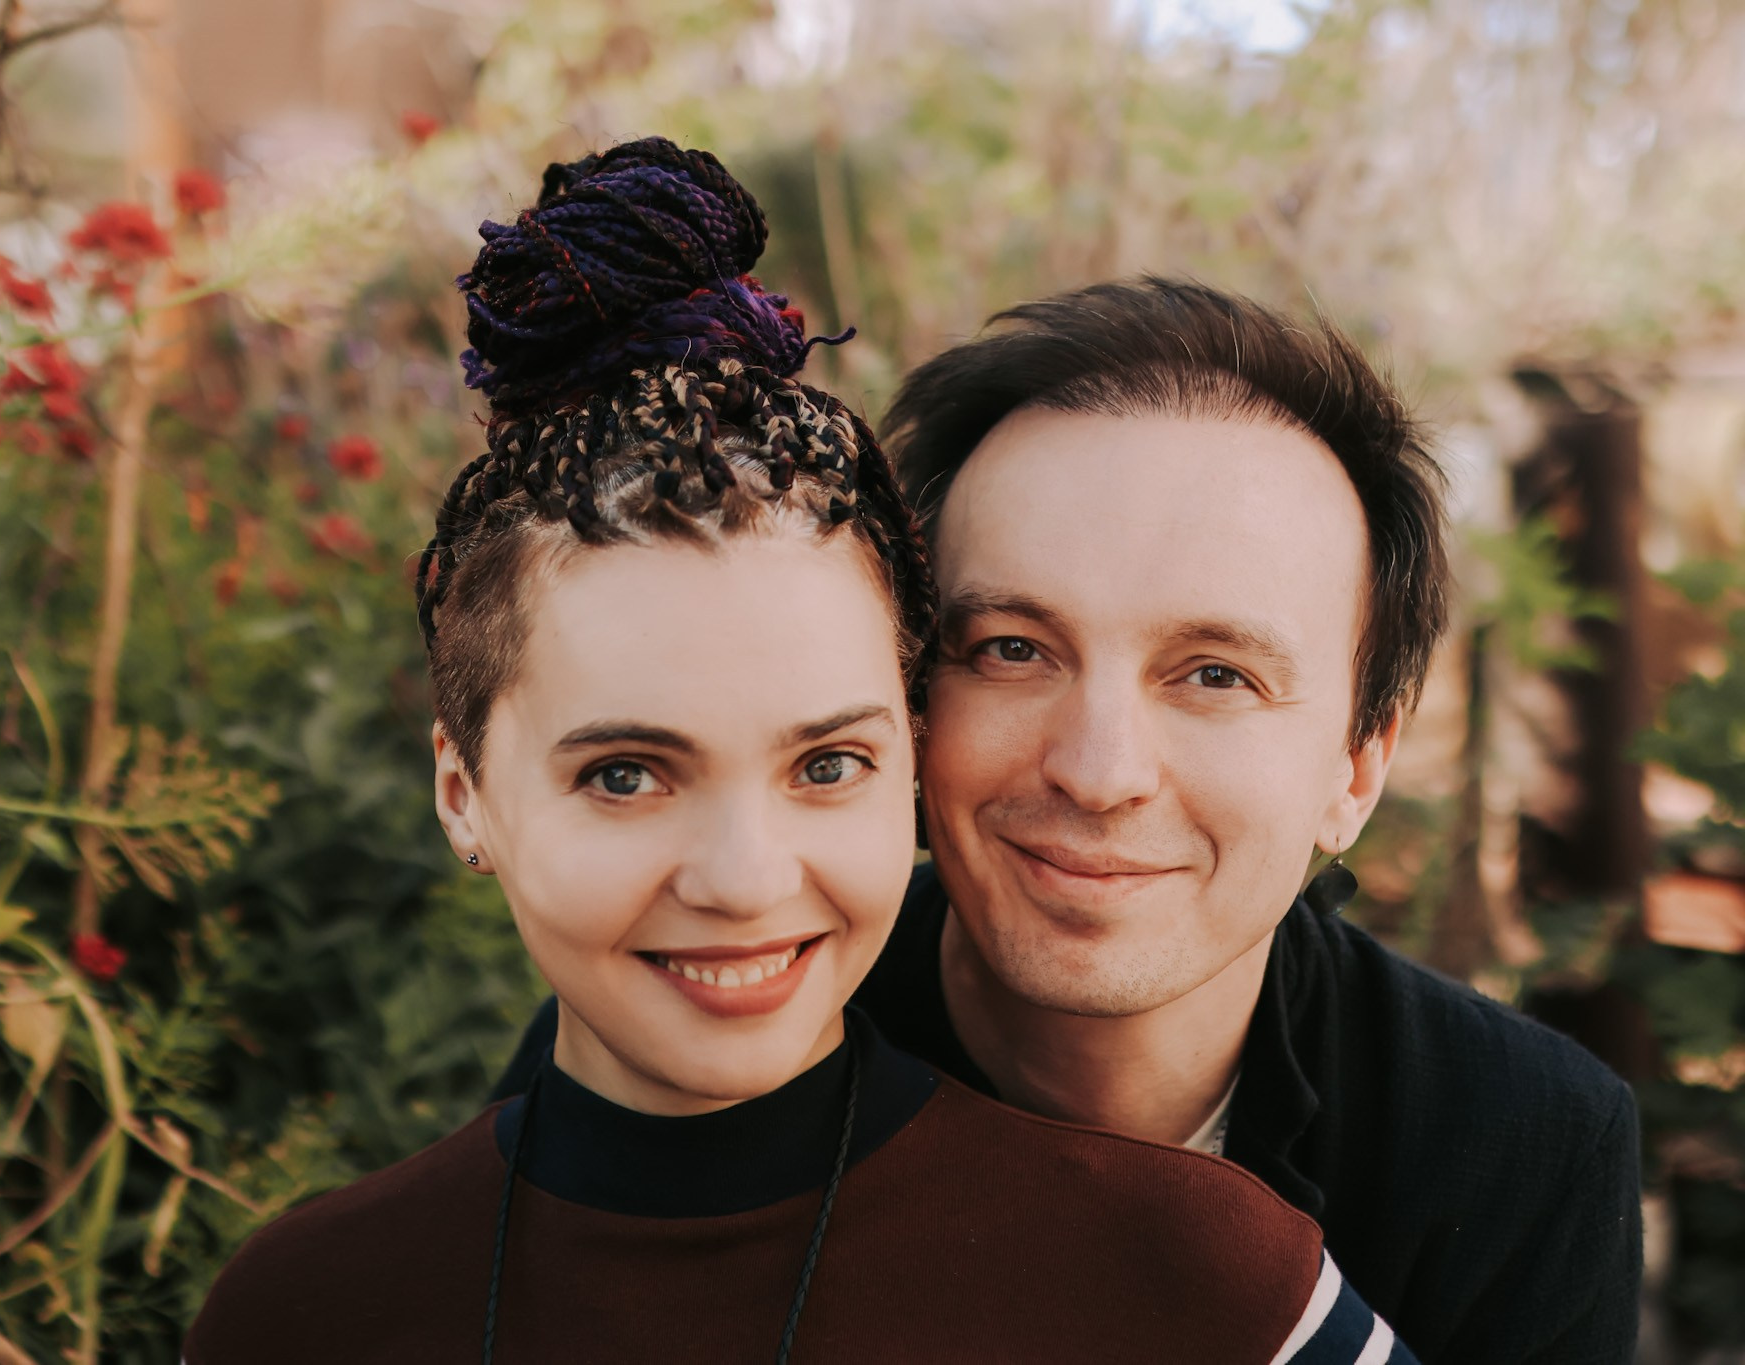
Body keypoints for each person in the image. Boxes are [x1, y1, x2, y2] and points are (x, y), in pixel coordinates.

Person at [187, 140, 1413, 1364]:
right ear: (463, 792)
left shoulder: (1203, 1285)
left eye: (824, 766)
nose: (743, 879)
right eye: (626, 775)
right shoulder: (300, 1315)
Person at [496, 280, 1644, 1363]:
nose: (1098, 774)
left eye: (1214, 675)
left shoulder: (1515, 1144)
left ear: (1356, 766)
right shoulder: (704, 1019)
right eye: (1011, 650)